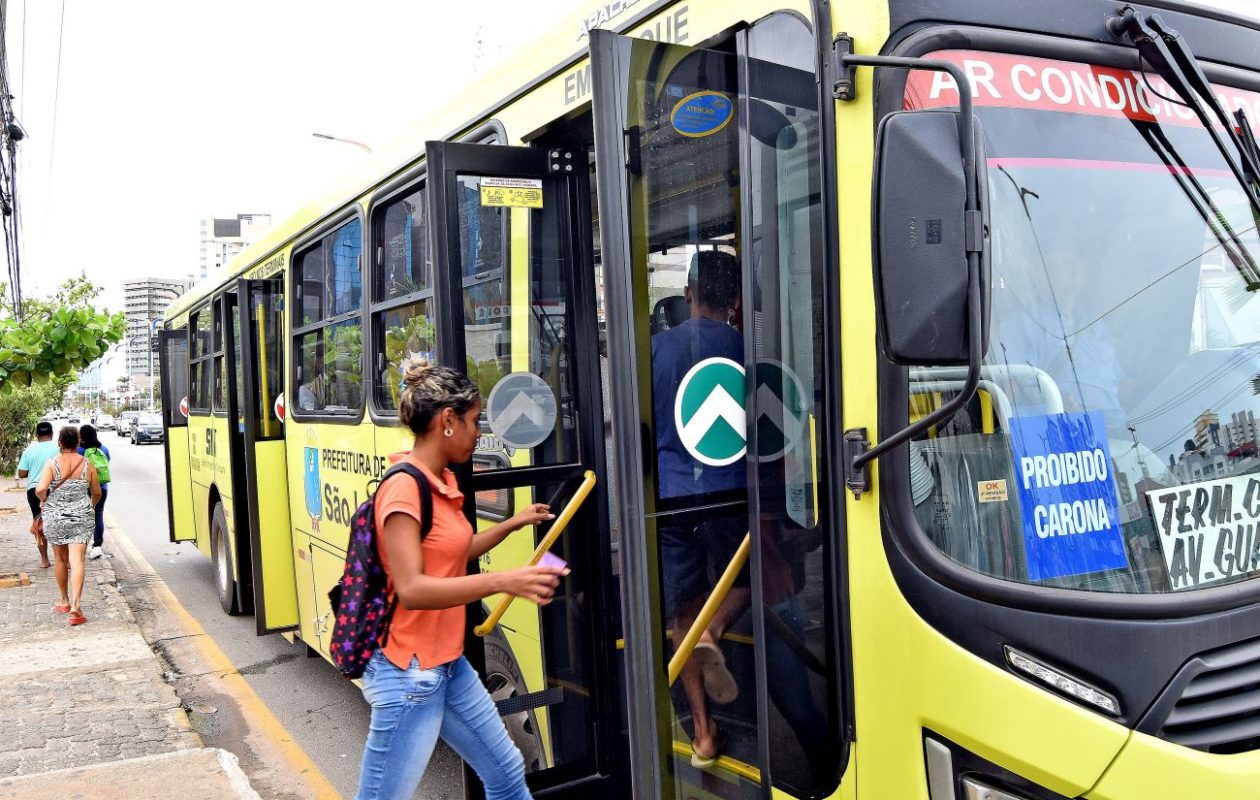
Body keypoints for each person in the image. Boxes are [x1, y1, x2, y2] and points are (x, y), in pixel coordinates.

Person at [353, 360, 567, 800]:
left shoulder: (442, 480)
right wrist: (504, 581)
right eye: (473, 421)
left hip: (447, 665)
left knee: (507, 772)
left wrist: (513, 524)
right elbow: (413, 588)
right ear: (447, 421)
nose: (478, 431)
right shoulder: (403, 490)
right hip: (407, 674)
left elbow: (454, 553)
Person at [650, 249, 749, 767]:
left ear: (689, 294)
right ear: (734, 299)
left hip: (671, 502)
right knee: (765, 575)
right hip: (733, 495)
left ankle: (704, 735)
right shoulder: (748, 349)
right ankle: (716, 628)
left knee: (681, 614)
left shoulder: (656, 351)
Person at [35, 426, 101, 626]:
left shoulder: (52, 463)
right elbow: (97, 492)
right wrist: (90, 506)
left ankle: (64, 601)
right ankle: (76, 606)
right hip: (81, 516)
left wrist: (44, 501)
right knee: (77, 560)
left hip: (55, 517)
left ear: (59, 443)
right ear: (78, 443)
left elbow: (40, 489)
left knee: (60, 560)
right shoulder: (87, 463)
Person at [17, 421, 58, 569]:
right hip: (54, 488)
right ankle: (64, 560)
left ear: (37, 435)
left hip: (34, 490)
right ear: (52, 434)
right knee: (58, 522)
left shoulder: (29, 450)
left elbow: (21, 473)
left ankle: (44, 560)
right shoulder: (58, 448)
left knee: (39, 523)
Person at [77, 424, 111, 560]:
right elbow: (107, 462)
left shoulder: (79, 451)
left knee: (82, 516)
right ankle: (97, 546)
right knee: (98, 515)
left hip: (84, 488)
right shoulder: (104, 449)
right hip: (102, 487)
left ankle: (81, 545)